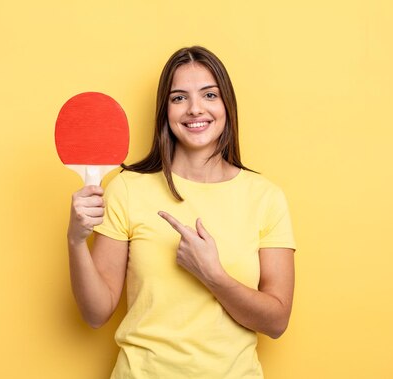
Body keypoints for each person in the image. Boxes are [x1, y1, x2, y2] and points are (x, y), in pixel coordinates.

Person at [67, 46, 296, 379]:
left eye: (209, 95)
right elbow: (95, 313)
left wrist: (212, 274)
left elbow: (276, 322)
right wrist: (75, 240)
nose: (194, 109)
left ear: (226, 105)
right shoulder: (128, 188)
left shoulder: (265, 198)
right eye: (179, 98)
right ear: (165, 110)